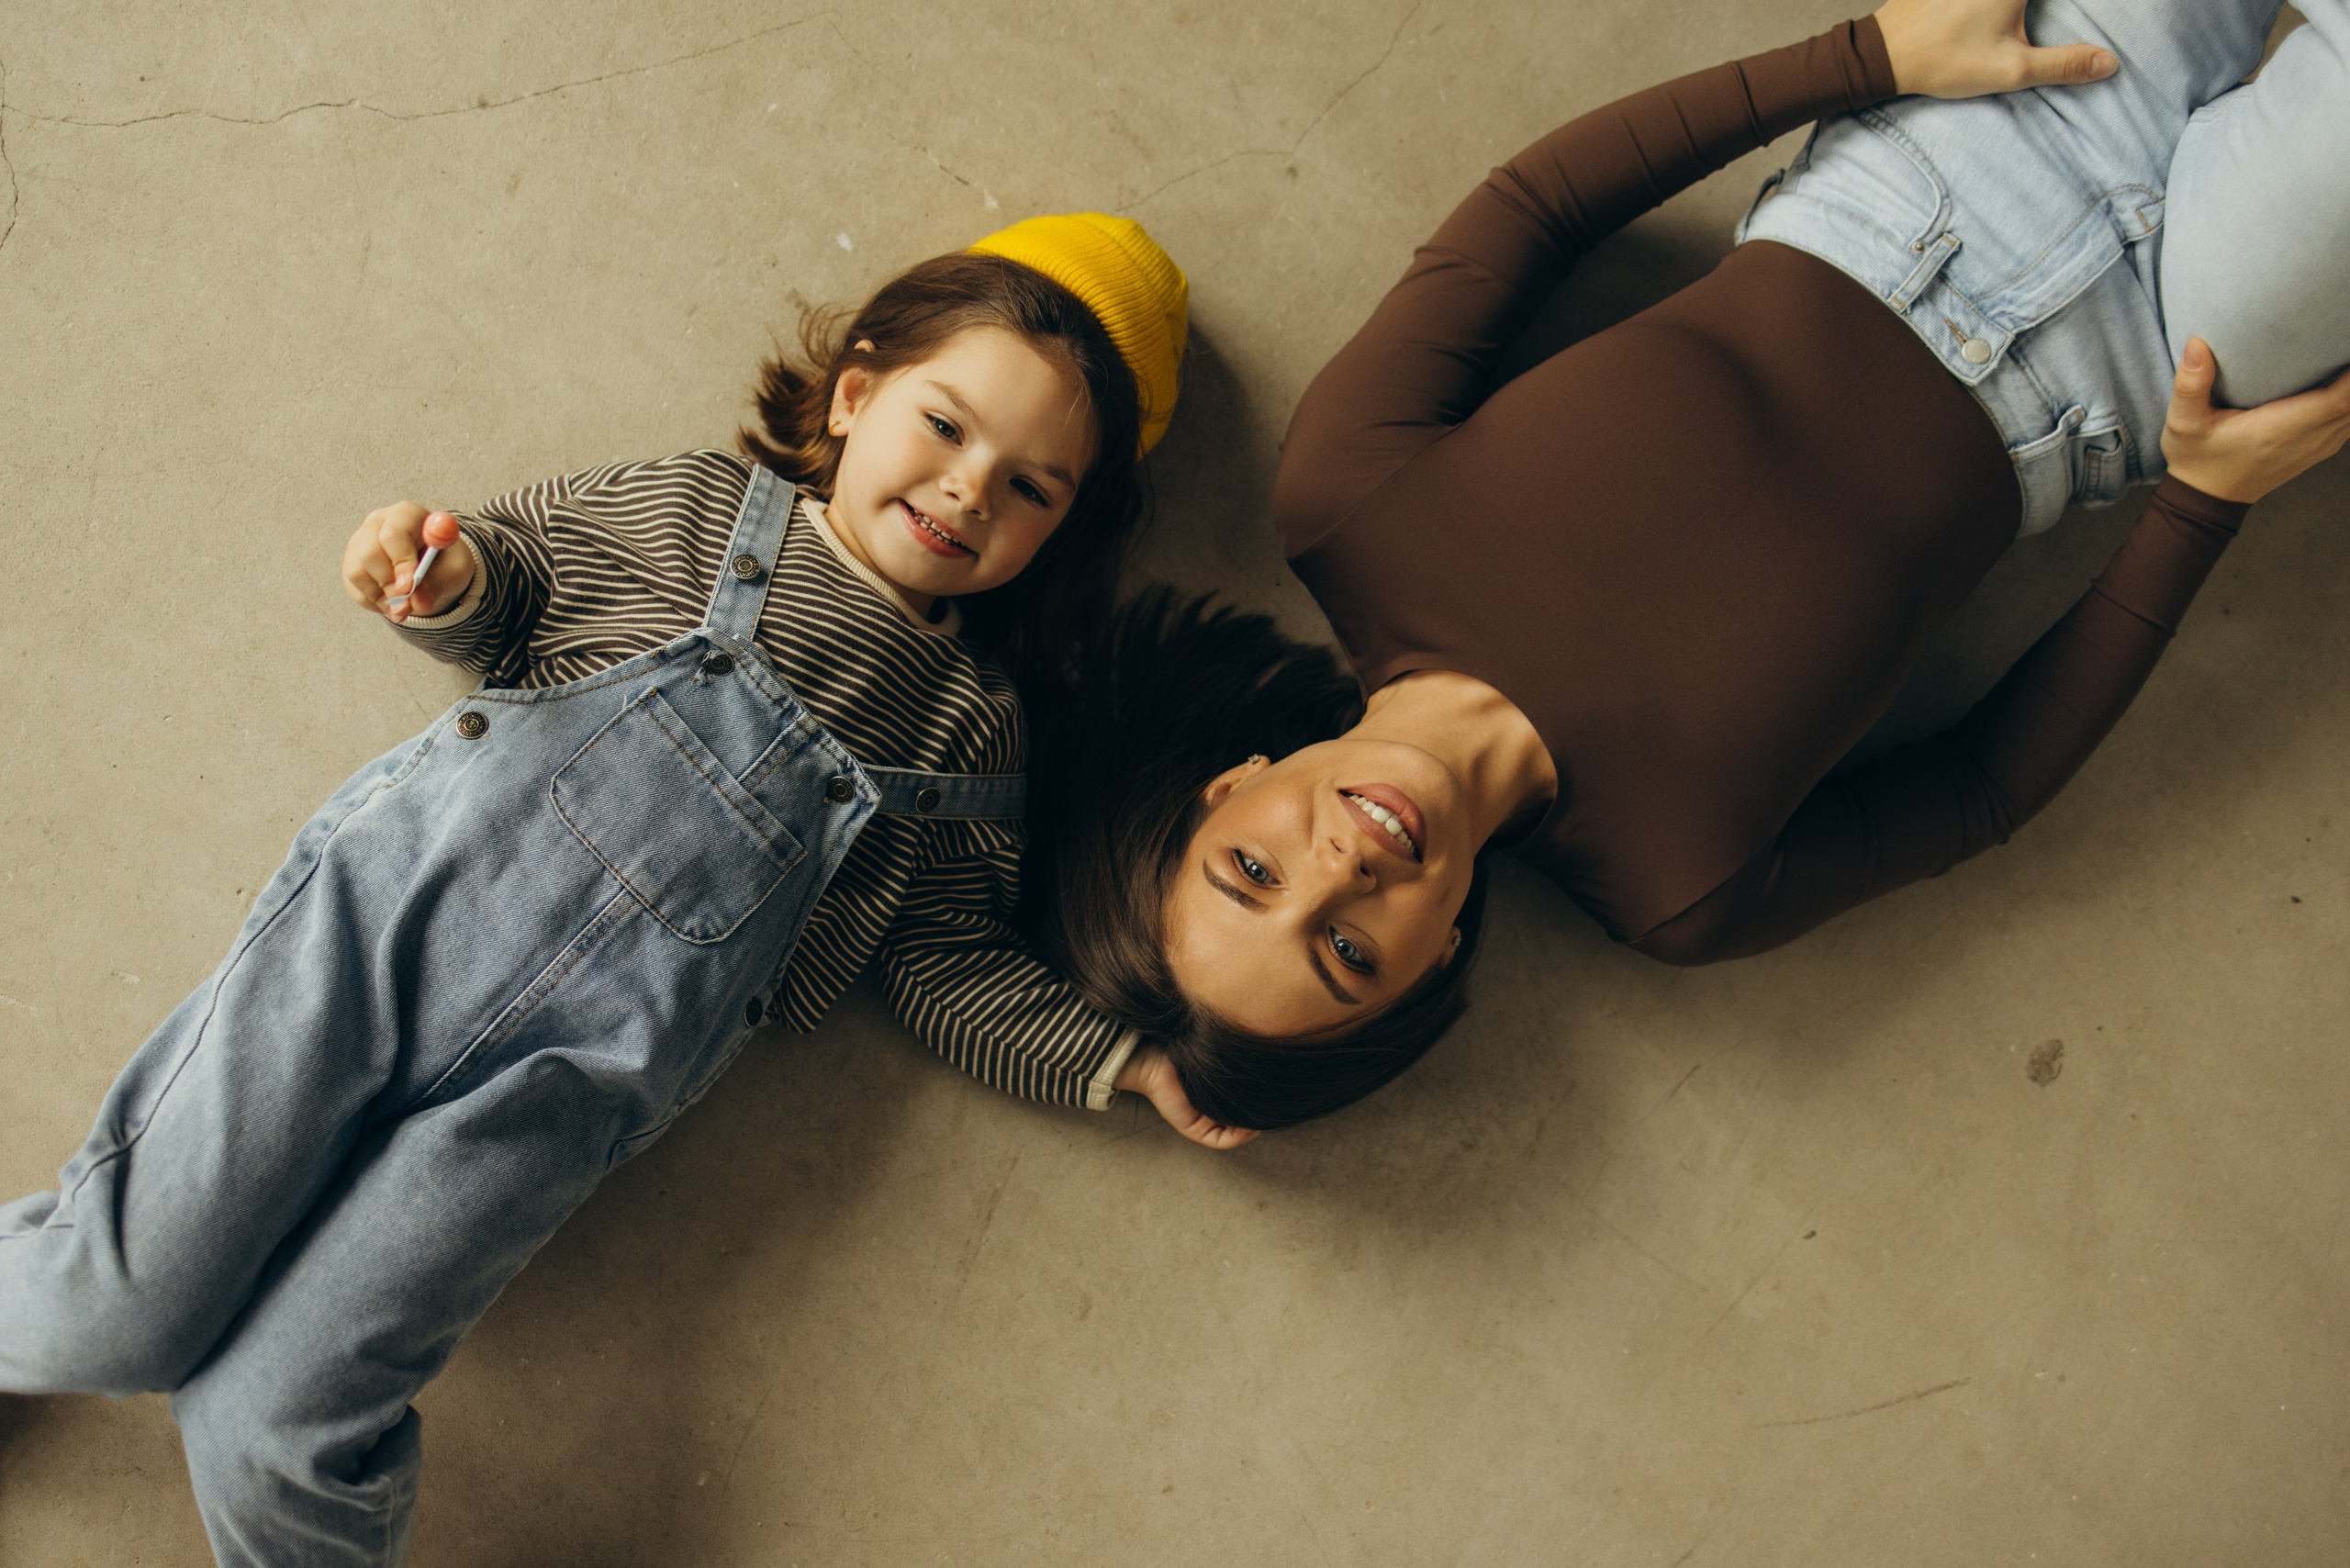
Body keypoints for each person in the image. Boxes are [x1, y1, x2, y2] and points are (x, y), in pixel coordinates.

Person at [0, 212, 1199, 1565]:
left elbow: (945, 958)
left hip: (555, 1099)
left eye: (1034, 488)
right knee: (121, 1305)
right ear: (856, 396)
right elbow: (511, 592)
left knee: (282, 1417)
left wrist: (1111, 1058)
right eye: (947, 425)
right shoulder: (699, 515)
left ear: (1060, 533)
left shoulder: (971, 735)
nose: (974, 489)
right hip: (380, 935)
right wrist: (432, 573)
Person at [1050, 0, 2350, 1133]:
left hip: (1960, 150)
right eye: (1345, 952)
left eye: (1255, 872)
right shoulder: (1685, 890)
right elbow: (1984, 791)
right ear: (1432, 964)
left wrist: (1867, 51)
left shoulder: (1347, 507)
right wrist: (2202, 503)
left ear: (1235, 785)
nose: (1341, 872)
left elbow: (1535, 210)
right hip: (2168, 359)